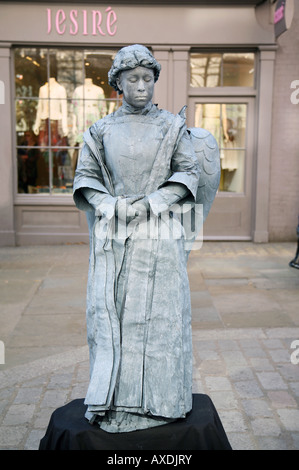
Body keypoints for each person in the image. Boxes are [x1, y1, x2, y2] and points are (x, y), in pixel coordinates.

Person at [73, 44, 201, 433]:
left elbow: (189, 172)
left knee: (160, 321)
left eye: (148, 78)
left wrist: (153, 202)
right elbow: (85, 177)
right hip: (114, 238)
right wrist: (109, 205)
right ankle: (114, 401)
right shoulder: (100, 131)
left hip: (159, 235)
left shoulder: (172, 128)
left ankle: (162, 400)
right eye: (133, 79)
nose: (142, 86)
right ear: (118, 83)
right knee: (117, 319)